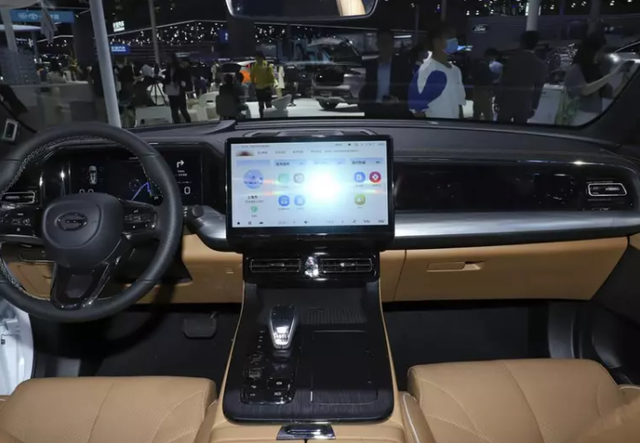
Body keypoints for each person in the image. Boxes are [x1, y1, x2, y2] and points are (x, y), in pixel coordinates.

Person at [558, 32, 634, 126]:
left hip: (595, 116)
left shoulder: (597, 71)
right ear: (592, 51)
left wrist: (624, 82)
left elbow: (611, 94)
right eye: (601, 51)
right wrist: (613, 74)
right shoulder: (575, 70)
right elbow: (585, 90)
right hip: (578, 116)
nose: (603, 54)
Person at [408, 22, 466, 119]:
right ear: (436, 42)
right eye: (449, 37)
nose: (454, 41)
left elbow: (459, 103)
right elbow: (417, 110)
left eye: (455, 37)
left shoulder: (456, 71)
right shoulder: (426, 70)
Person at [359, 28, 413, 118]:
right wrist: (364, 105)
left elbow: (410, 88)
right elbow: (364, 88)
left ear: (393, 44)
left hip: (396, 111)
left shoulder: (402, 65)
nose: (385, 45)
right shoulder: (370, 65)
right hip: (373, 111)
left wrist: (398, 100)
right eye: (382, 42)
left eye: (387, 42)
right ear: (377, 44)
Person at [496, 31, 547, 124]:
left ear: (521, 43)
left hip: (507, 100)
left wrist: (497, 100)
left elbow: (503, 81)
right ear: (536, 44)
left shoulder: (512, 60)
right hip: (525, 101)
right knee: (520, 129)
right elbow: (539, 87)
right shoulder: (539, 63)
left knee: (502, 128)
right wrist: (534, 106)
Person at [471, 47, 500, 121]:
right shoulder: (483, 65)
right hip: (484, 92)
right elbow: (487, 78)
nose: (493, 59)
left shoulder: (478, 64)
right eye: (493, 57)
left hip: (477, 91)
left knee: (477, 113)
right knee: (488, 115)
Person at [163, 54, 191, 124]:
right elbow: (167, 79)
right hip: (170, 88)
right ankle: (177, 123)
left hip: (178, 88)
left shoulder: (180, 68)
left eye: (169, 59)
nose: (167, 60)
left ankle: (188, 122)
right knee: (174, 108)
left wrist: (180, 83)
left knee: (182, 108)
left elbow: (185, 78)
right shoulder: (168, 69)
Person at [251, 51, 275, 118]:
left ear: (261, 58)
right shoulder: (255, 66)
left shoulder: (267, 65)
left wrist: (272, 84)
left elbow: (271, 76)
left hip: (267, 87)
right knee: (260, 105)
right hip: (259, 88)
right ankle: (262, 117)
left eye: (257, 58)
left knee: (268, 104)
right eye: (256, 58)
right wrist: (253, 83)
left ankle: (269, 117)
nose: (257, 60)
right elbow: (252, 75)